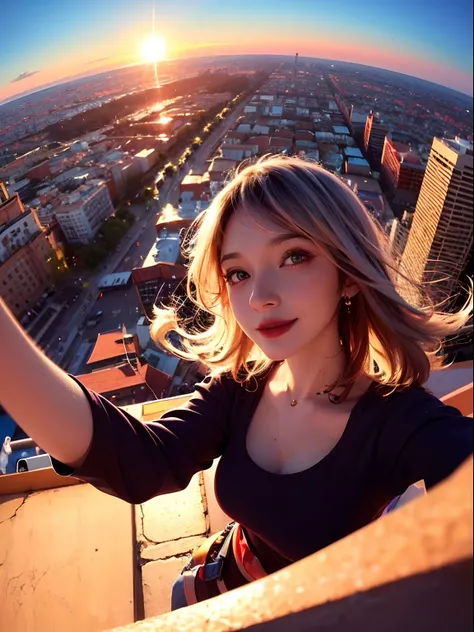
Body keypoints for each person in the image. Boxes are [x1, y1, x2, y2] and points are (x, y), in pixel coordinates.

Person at [0, 155, 472, 609]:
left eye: (294, 256)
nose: (260, 297)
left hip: (322, 606)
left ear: (348, 275)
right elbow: (143, 461)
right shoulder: (241, 385)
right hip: (234, 571)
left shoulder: (402, 420)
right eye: (238, 273)